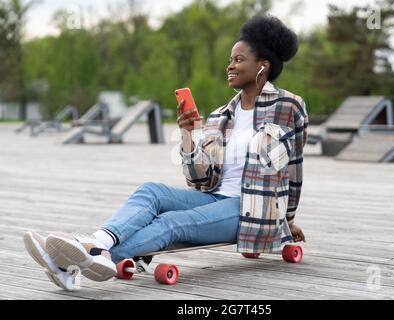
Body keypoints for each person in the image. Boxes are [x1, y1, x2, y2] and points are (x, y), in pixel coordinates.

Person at [23, 14, 308, 291]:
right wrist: (187, 136)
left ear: (263, 66)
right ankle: (92, 248)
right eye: (230, 60)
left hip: (251, 209)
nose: (229, 66)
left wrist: (288, 221)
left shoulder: (288, 108)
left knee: (172, 223)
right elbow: (201, 181)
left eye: (238, 60)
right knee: (152, 192)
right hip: (214, 198)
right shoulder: (221, 116)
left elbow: (294, 170)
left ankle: (80, 256)